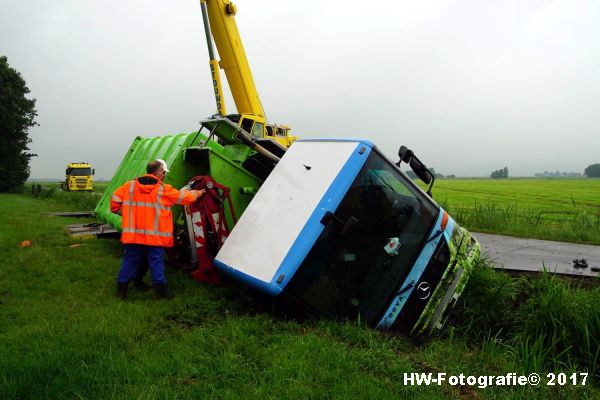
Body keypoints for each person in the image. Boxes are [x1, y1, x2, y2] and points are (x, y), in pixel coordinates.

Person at [110, 159, 204, 299]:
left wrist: (128, 212)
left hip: (133, 236)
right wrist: (197, 193)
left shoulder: (129, 186)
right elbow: (186, 199)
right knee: (156, 264)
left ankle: (121, 291)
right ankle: (161, 294)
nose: (165, 175)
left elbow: (114, 204)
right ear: (159, 172)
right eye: (164, 172)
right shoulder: (164, 190)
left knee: (130, 261)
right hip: (155, 238)